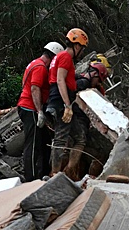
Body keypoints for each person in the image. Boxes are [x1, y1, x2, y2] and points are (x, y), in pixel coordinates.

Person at [17, 41, 64, 181]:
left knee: (44, 141)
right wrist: (39, 111)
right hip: (30, 108)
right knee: (32, 145)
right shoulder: (40, 68)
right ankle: (30, 179)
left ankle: (42, 173)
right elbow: (34, 88)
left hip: (28, 106)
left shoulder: (34, 63)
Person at [48, 28, 89, 179]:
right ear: (77, 46)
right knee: (60, 138)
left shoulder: (60, 57)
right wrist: (67, 105)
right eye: (82, 48)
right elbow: (60, 80)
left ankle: (67, 172)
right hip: (61, 101)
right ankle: (55, 174)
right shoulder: (65, 57)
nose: (82, 52)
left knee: (79, 138)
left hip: (61, 99)